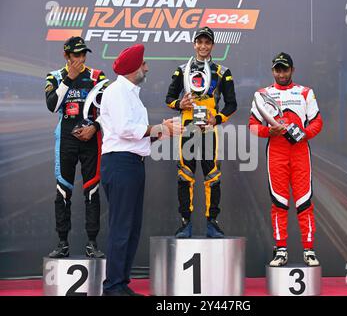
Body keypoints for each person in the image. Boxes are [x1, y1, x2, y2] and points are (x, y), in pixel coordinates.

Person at [100, 44, 183, 296]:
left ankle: (121, 284)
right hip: (120, 163)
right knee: (122, 227)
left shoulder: (131, 94)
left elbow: (137, 136)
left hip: (133, 163)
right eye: (143, 63)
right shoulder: (116, 91)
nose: (146, 67)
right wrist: (158, 127)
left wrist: (162, 131)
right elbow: (126, 129)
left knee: (132, 228)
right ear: (133, 68)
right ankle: (113, 287)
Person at [248, 52, 323, 267]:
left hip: (300, 152)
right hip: (276, 152)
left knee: (304, 201)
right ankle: (281, 250)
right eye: (278, 69)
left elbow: (317, 123)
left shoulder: (305, 93)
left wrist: (303, 133)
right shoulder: (262, 94)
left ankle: (308, 249)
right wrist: (268, 131)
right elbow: (252, 126)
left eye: (285, 69)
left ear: (292, 70)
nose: (281, 73)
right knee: (279, 202)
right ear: (273, 71)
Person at [165, 26, 237, 238]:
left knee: (212, 176)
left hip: (208, 130)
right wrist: (181, 103)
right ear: (194, 44)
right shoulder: (182, 70)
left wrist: (217, 118)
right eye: (200, 42)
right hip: (187, 128)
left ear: (212, 45)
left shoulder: (222, 72)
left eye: (207, 42)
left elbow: (232, 104)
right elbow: (168, 99)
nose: (203, 46)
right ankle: (185, 223)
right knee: (184, 175)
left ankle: (212, 223)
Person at [45, 36, 106, 258]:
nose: (80, 59)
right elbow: (52, 106)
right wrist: (69, 79)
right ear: (66, 56)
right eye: (75, 55)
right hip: (66, 139)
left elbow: (109, 110)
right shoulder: (55, 76)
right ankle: (63, 243)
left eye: (83, 54)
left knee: (92, 189)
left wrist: (95, 127)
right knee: (63, 189)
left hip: (91, 138)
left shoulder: (98, 77)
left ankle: (92, 243)